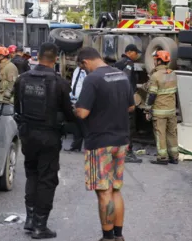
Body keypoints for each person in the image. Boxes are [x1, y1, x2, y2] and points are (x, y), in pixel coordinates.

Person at [13, 42, 76, 239]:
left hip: (28, 135)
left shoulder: (22, 79)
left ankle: (31, 220)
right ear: (55, 59)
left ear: (37, 57)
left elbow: (17, 108)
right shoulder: (59, 83)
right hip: (49, 136)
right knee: (47, 179)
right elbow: (68, 113)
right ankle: (40, 225)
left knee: (31, 174)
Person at [75, 47, 135, 241]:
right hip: (121, 141)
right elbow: (131, 106)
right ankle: (118, 235)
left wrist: (74, 110)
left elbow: (83, 113)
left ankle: (107, 237)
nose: (84, 71)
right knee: (116, 189)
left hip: (100, 142)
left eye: (83, 68)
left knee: (104, 192)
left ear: (85, 62)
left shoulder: (92, 79)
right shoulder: (121, 75)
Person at [145, 50, 179, 165]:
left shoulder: (155, 76)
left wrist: (147, 109)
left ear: (159, 61)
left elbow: (152, 94)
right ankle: (174, 157)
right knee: (172, 133)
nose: (154, 61)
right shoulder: (172, 73)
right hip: (171, 110)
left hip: (160, 111)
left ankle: (162, 157)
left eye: (155, 59)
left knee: (160, 134)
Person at [114, 44, 143, 163]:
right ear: (130, 52)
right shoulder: (129, 64)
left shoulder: (118, 63)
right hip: (125, 100)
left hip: (116, 99)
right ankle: (127, 153)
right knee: (129, 127)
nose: (137, 56)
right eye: (136, 53)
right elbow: (126, 81)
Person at [64, 65, 87, 152]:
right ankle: (76, 146)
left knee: (83, 124)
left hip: (82, 100)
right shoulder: (77, 70)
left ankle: (88, 146)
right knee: (77, 124)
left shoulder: (88, 71)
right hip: (74, 99)